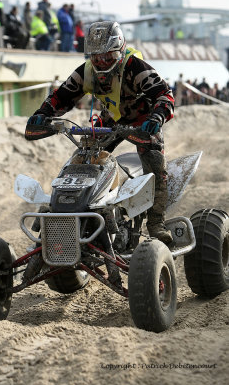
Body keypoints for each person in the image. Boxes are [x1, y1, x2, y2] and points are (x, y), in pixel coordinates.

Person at [25, 21, 175, 244]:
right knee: (84, 158)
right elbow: (63, 96)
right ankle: (79, 213)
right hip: (111, 119)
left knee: (155, 166)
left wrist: (157, 117)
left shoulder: (135, 66)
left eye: (108, 56)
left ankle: (155, 224)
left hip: (142, 121)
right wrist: (43, 112)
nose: (102, 62)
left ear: (121, 50)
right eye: (97, 57)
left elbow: (165, 95)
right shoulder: (86, 71)